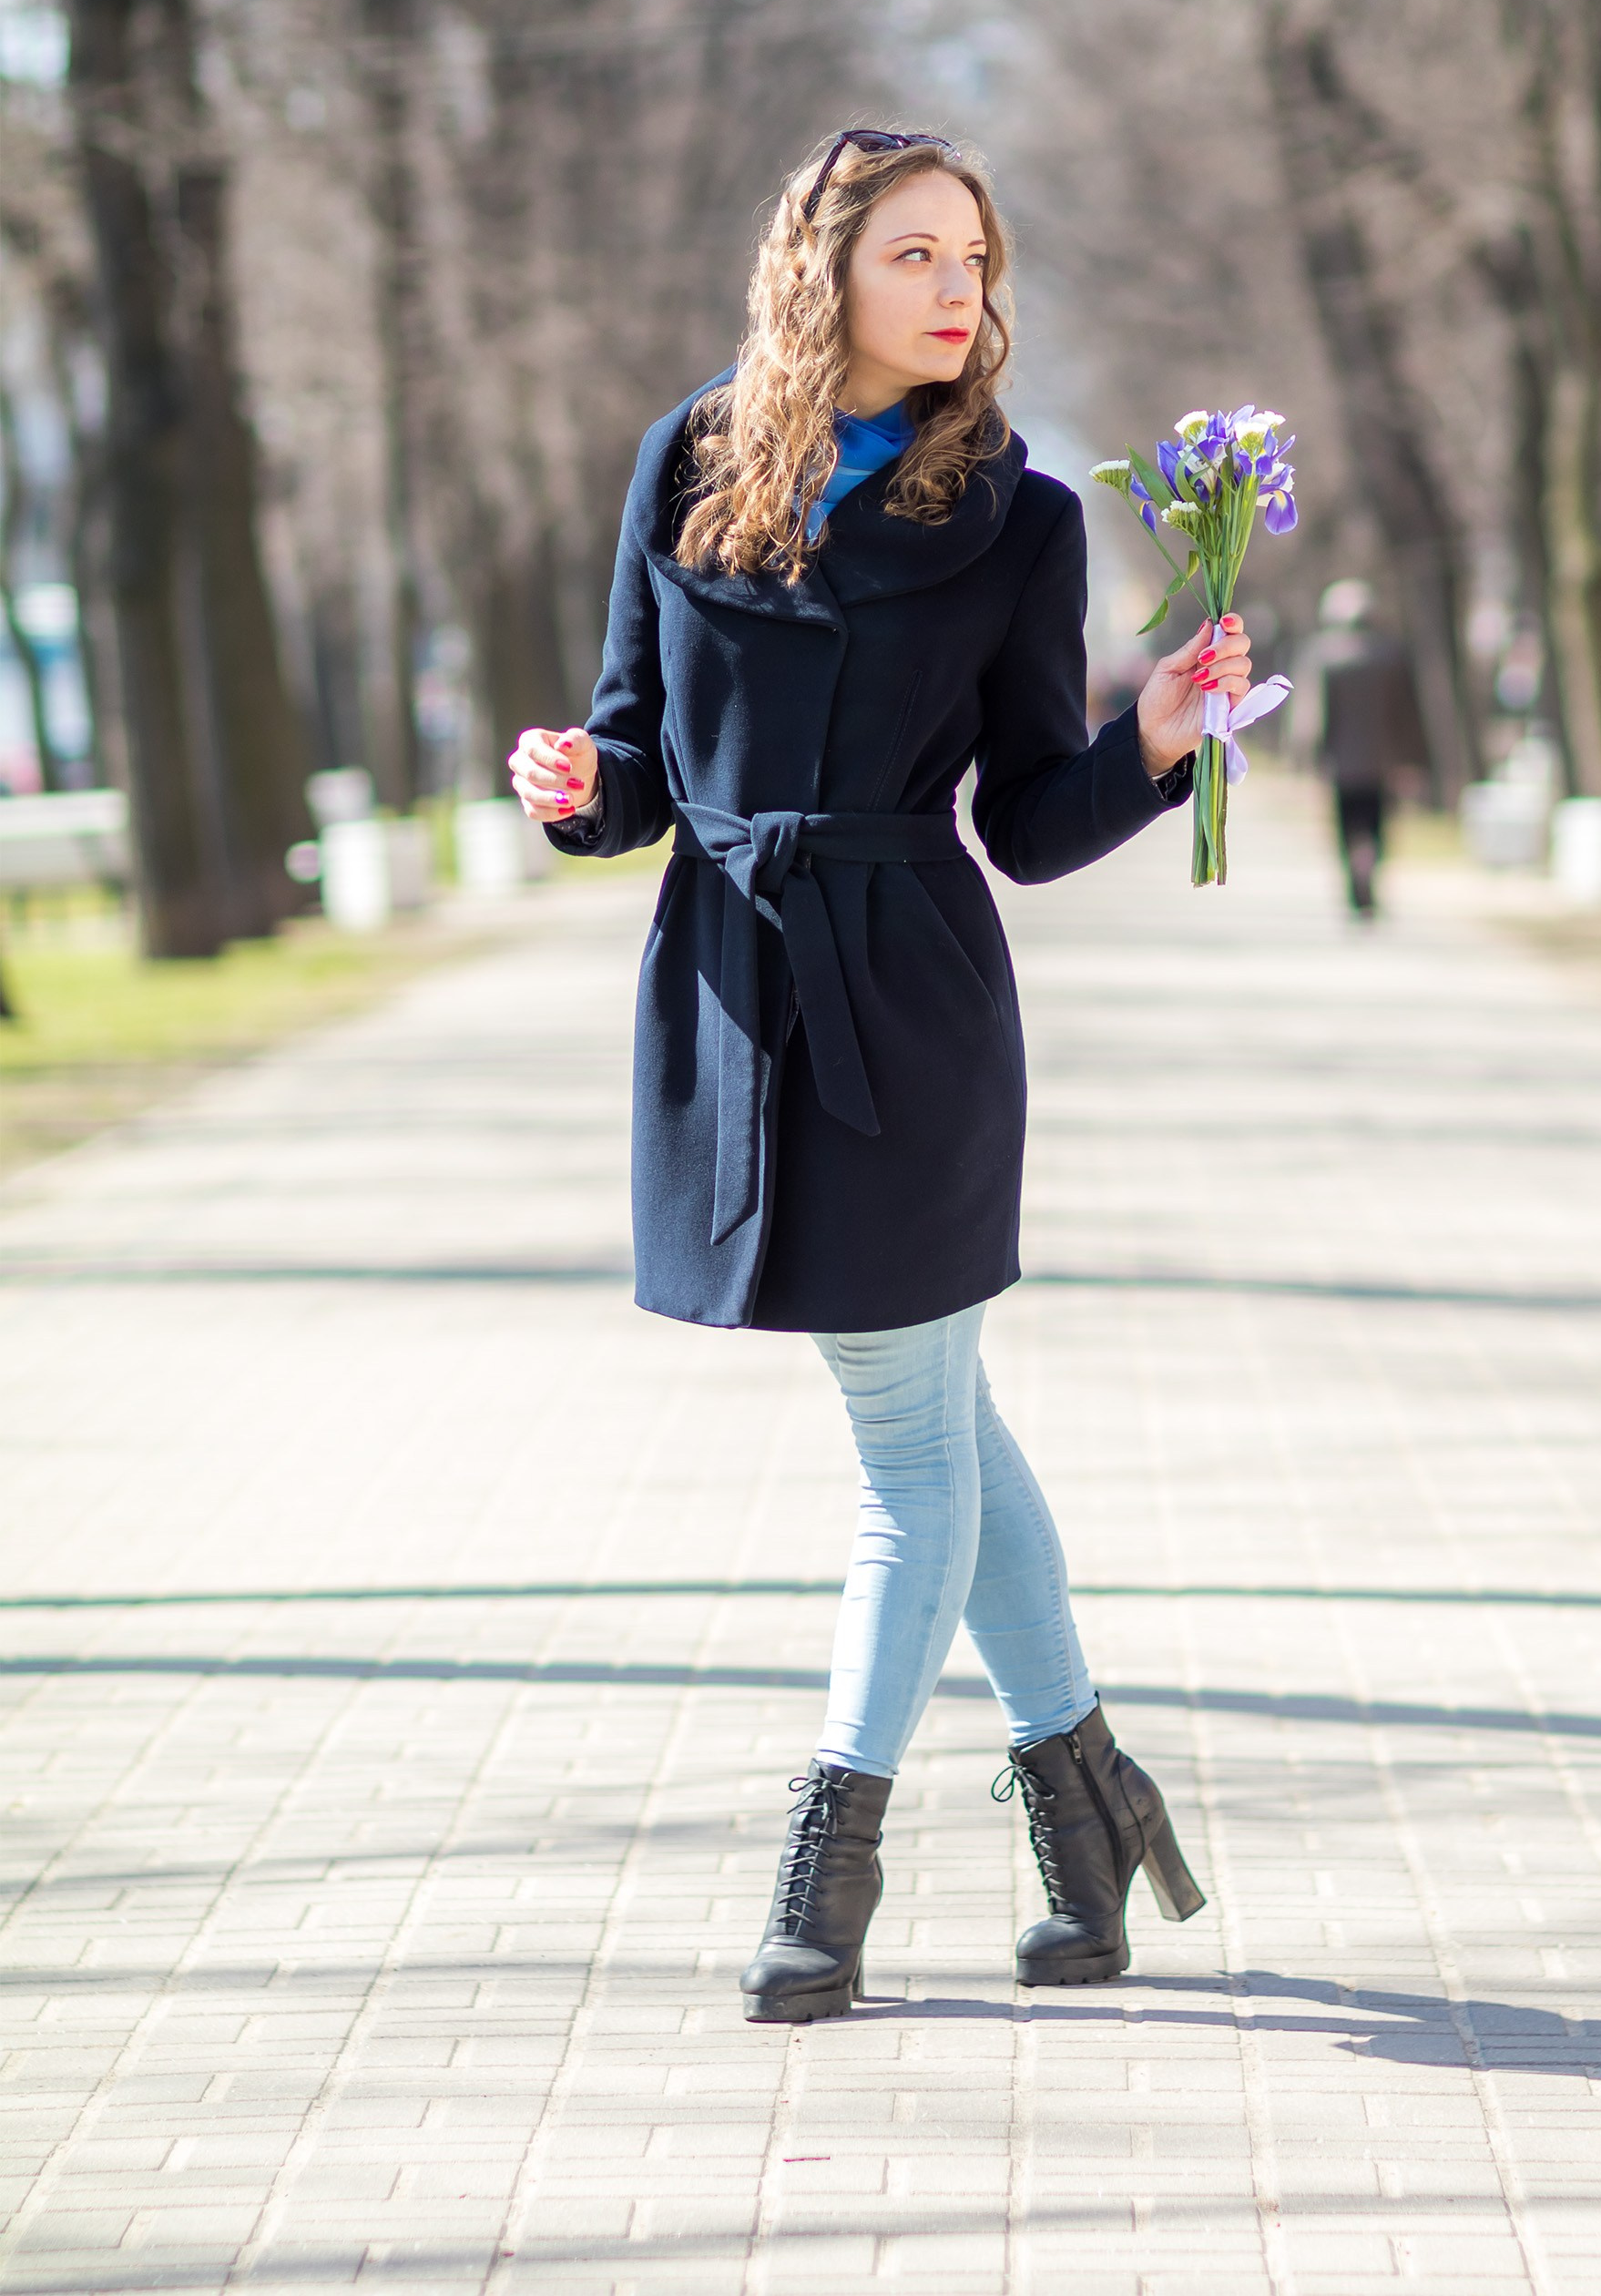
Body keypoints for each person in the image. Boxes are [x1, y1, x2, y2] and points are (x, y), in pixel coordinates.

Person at [507, 128, 1253, 2026]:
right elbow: (636, 764)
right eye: (918, 252)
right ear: (819, 266)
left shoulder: (1010, 512)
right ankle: (1088, 1807)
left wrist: (1151, 734)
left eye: (977, 261)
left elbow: (1024, 815)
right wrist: (575, 800)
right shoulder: (689, 460)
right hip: (729, 993)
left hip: (910, 1002)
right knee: (940, 1426)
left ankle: (827, 1867)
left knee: (904, 1446)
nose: (958, 292)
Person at [1310, 579, 1428, 919]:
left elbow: (1315, 715)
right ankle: (1369, 873)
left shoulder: (1326, 657)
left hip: (1342, 763)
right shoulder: (1391, 655)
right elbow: (1407, 712)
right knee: (1376, 824)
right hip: (1382, 762)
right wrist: (1412, 758)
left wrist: (1312, 756)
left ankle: (1354, 882)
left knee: (1347, 825)